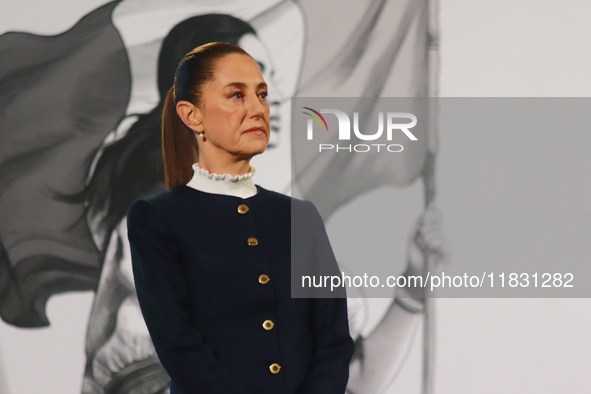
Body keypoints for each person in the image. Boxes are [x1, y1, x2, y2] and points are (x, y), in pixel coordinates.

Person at [126, 42, 355, 394]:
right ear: (192, 115)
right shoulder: (157, 219)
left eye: (261, 95)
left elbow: (334, 338)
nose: (257, 108)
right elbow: (179, 344)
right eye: (236, 95)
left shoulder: (301, 217)